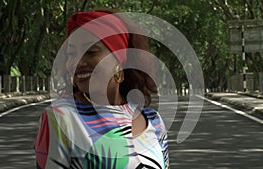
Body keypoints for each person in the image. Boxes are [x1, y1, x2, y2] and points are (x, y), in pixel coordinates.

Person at [34, 8, 169, 169]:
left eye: (90, 52)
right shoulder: (60, 119)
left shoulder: (154, 121)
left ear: (119, 58)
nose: (76, 62)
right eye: (71, 54)